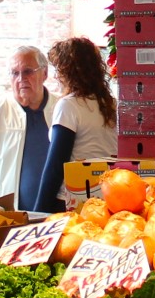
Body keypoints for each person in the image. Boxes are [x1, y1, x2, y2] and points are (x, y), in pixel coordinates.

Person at [20, 37, 117, 214]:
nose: (57, 76)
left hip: (72, 200)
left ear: (69, 72)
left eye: (59, 69)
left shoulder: (69, 106)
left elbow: (56, 164)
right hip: (106, 196)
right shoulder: (110, 105)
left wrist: (37, 213)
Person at [0, 46, 61, 205]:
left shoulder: (61, 109)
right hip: (12, 216)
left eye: (28, 71)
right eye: (15, 73)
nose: (21, 79)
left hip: (59, 214)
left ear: (45, 73)